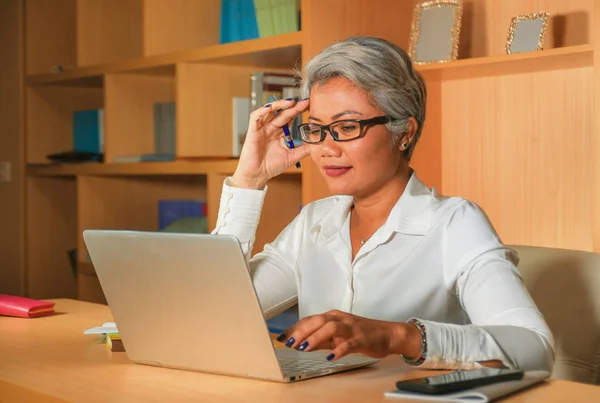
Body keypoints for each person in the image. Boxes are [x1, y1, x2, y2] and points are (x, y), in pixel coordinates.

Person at [211, 36, 554, 371]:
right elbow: (215, 313)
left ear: (404, 132)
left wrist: (398, 336)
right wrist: (249, 180)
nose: (327, 148)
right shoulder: (313, 223)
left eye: (346, 126)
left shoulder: (454, 223)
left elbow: (534, 347)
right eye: (315, 128)